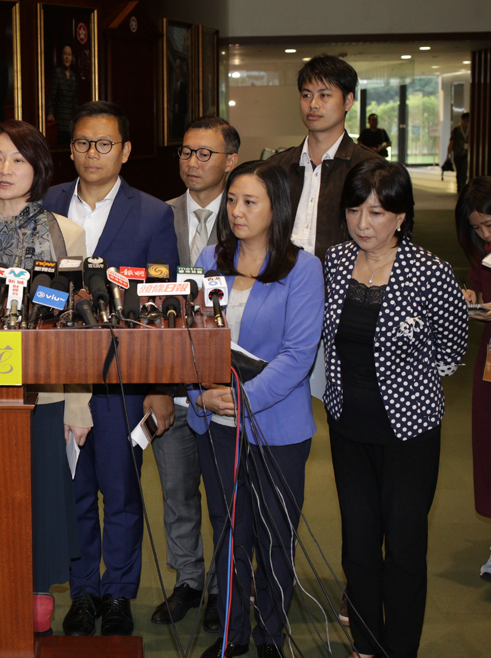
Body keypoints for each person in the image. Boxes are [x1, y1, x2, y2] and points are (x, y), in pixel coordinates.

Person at [41, 101, 178, 637]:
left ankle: (119, 593)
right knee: (73, 492)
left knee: (121, 494)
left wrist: (160, 387)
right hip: (61, 377)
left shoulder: (153, 213)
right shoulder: (48, 204)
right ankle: (83, 593)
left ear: (125, 151)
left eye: (103, 144)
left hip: (125, 380)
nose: (91, 153)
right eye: (81, 143)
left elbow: (163, 305)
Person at [324, 159, 468, 658]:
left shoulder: (431, 272)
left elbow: (451, 351)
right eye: (354, 211)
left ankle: (400, 649)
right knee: (358, 545)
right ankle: (366, 644)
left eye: (377, 213)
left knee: (404, 548)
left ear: (401, 216)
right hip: (348, 426)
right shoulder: (336, 261)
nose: (363, 224)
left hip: (409, 432)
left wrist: (406, 384)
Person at [0, 119, 88, 637]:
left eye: (18, 160)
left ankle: (35, 589)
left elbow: (75, 325)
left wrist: (79, 406)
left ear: (38, 169)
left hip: (45, 391)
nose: (5, 169)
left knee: (40, 497)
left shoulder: (65, 232)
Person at [189, 160, 325, 658]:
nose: (236, 211)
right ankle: (231, 635)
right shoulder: (209, 258)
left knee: (273, 535)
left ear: (277, 208)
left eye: (250, 202)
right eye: (232, 200)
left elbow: (298, 355)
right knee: (229, 532)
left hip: (276, 427)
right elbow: (187, 338)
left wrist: (244, 399)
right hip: (216, 423)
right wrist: (199, 394)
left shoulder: (303, 268)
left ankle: (270, 635)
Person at [148, 116, 240, 634]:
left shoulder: (248, 213)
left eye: (206, 153)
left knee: (226, 497)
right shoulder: (157, 216)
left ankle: (226, 586)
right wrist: (157, 385)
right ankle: (188, 579)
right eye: (186, 152)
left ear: (231, 160)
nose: (192, 162)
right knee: (177, 491)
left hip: (224, 386)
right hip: (171, 381)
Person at [268, 55, 381, 262]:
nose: (313, 104)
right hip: (281, 278)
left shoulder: (371, 168)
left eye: (324, 95)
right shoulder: (277, 166)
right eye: (306, 95)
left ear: (348, 101)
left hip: (344, 279)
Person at [458, 177, 491, 582]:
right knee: (487, 445)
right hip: (489, 365)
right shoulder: (484, 256)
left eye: (489, 224)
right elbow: (482, 300)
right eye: (477, 228)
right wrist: (472, 301)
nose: (484, 234)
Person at [46, 45, 78, 146]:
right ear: (61, 56)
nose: (67, 57)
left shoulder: (74, 76)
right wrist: (50, 113)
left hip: (71, 121)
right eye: (65, 54)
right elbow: (51, 97)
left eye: (69, 54)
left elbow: (75, 101)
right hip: (60, 121)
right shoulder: (58, 73)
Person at [448, 112, 471, 193]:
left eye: (468, 121)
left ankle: (463, 186)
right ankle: (459, 186)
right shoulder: (456, 130)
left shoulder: (470, 130)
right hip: (457, 154)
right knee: (459, 171)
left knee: (464, 171)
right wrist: (448, 155)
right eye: (465, 121)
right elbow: (451, 142)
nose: (466, 123)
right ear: (462, 120)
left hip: (466, 154)